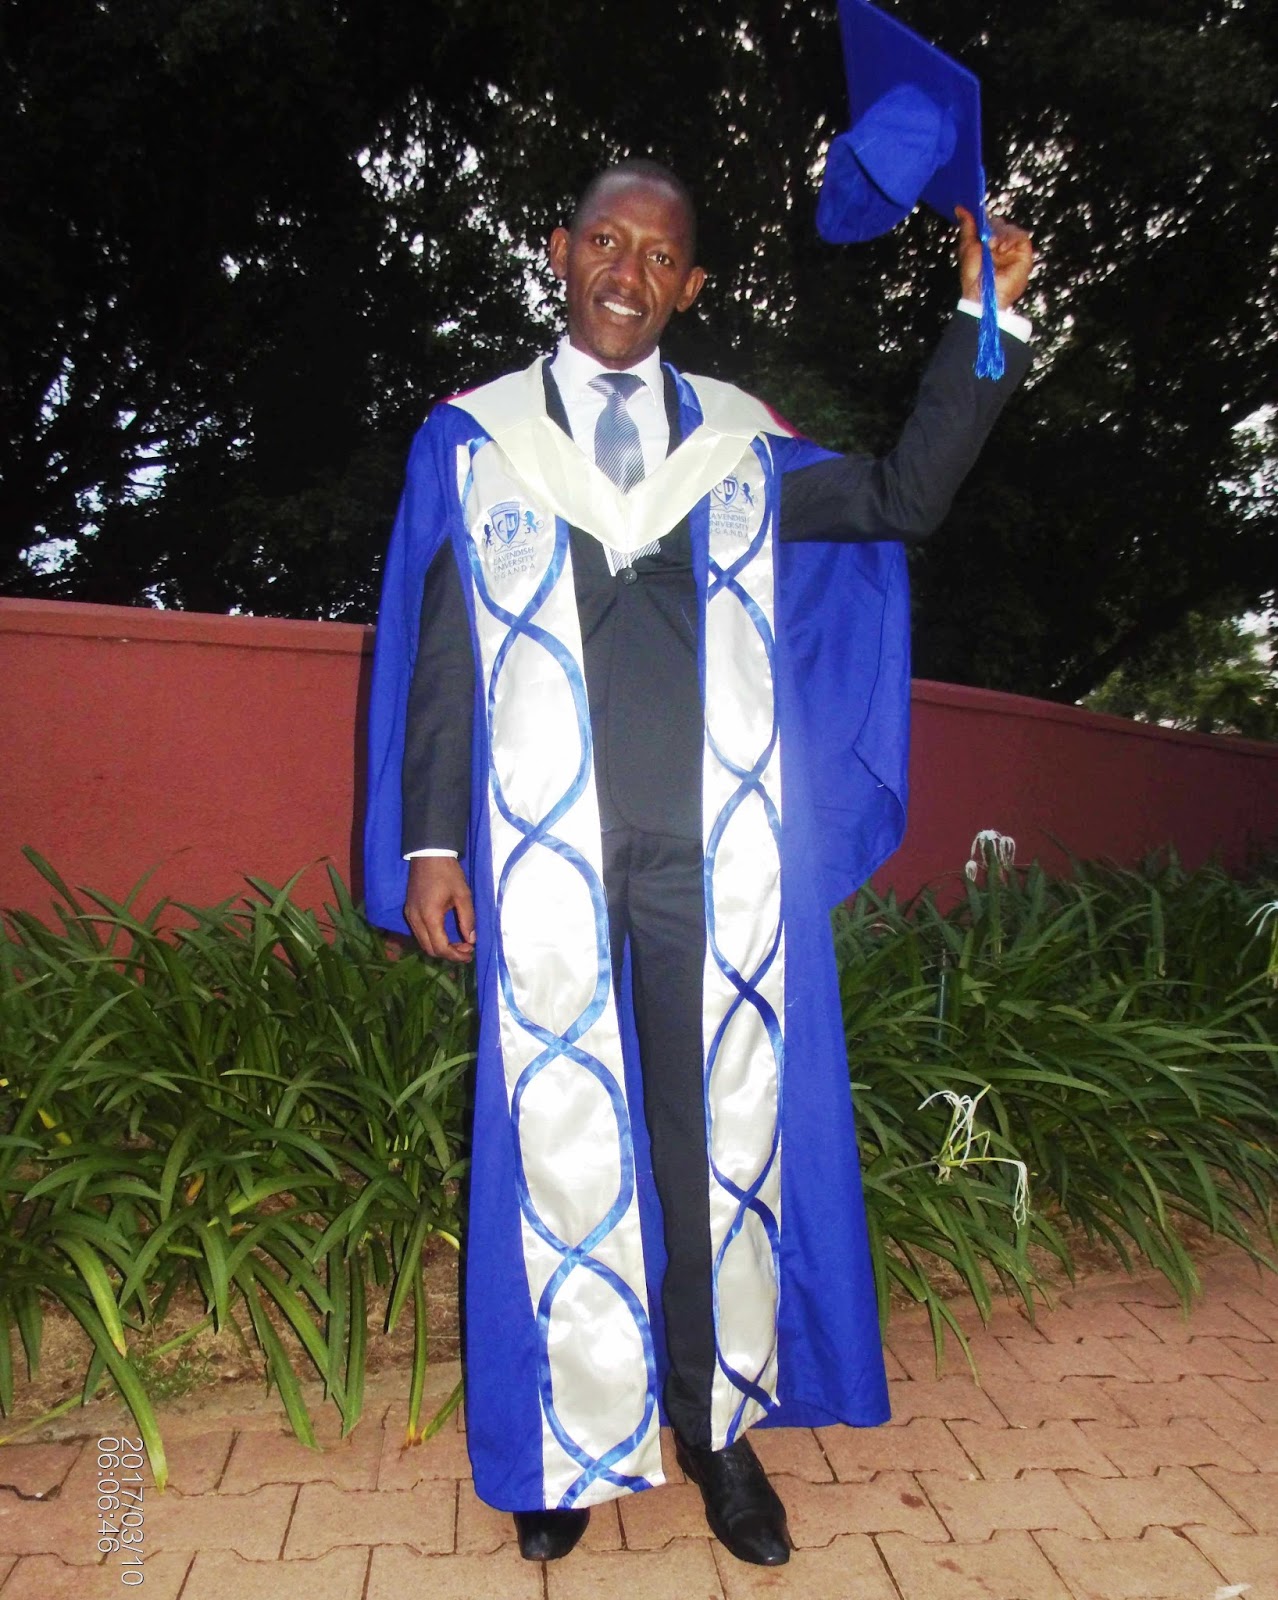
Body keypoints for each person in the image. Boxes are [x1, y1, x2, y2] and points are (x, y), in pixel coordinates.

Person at [363, 158, 1033, 1566]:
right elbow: (438, 658)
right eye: (602, 240)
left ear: (690, 285)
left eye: (657, 254)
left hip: (706, 857)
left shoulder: (738, 447)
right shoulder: (473, 440)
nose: (626, 269)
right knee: (550, 1144)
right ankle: (559, 1442)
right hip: (539, 856)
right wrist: (430, 840)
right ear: (558, 254)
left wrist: (985, 326)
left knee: (711, 1145)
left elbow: (904, 500)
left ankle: (713, 1430)